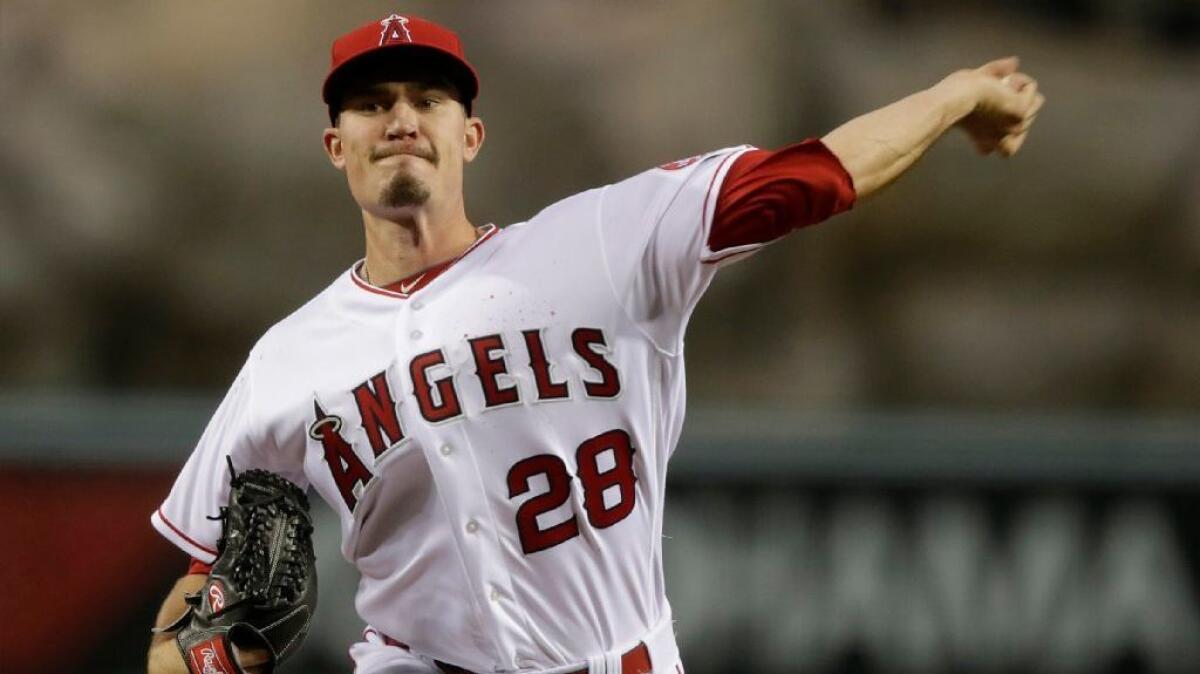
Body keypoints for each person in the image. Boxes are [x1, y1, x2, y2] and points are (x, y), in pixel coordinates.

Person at [147, 12, 1044, 674]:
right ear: (335, 145)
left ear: (471, 134)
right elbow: (196, 595)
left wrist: (952, 94)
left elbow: (814, 176)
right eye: (372, 103)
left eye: (428, 97)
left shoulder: (603, 242)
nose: (401, 118)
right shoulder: (285, 362)